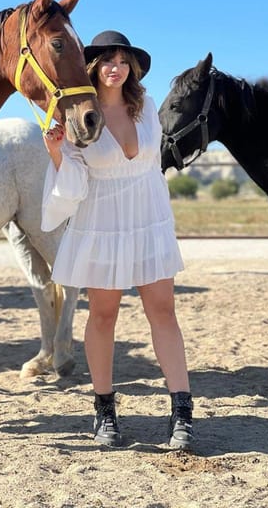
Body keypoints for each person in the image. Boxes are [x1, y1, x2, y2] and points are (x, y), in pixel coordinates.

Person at [40, 30, 193, 449]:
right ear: (93, 67)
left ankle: (182, 412)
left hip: (148, 219)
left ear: (132, 69)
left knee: (163, 311)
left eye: (123, 61)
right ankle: (104, 411)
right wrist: (57, 154)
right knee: (103, 316)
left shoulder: (144, 110)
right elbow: (72, 186)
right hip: (103, 222)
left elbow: (154, 165)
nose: (116, 67)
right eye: (108, 60)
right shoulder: (76, 119)